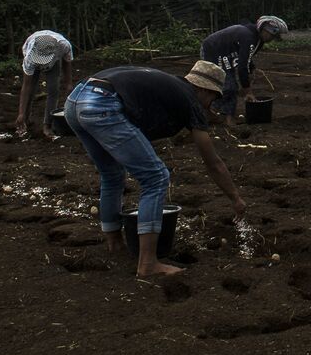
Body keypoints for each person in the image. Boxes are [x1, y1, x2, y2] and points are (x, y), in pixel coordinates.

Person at [63, 60, 246, 278]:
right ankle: (148, 263)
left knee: (111, 174)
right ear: (205, 90)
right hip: (102, 103)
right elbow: (212, 162)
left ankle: (115, 244)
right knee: (156, 177)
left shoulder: (170, 85)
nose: (211, 105)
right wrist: (235, 198)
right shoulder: (190, 100)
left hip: (75, 101)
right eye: (214, 98)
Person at [200, 15, 288, 126]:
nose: (271, 38)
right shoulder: (248, 37)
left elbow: (246, 57)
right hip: (213, 50)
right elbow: (242, 67)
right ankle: (216, 113)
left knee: (230, 85)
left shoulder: (258, 40)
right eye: (270, 34)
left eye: (274, 36)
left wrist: (252, 69)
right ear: (262, 28)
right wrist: (248, 91)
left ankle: (221, 115)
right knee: (228, 86)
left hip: (227, 53)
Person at [16, 29, 74, 140]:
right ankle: (25, 120)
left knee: (54, 89)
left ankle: (48, 125)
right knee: (31, 90)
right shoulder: (29, 56)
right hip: (33, 58)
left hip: (54, 62)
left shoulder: (64, 46)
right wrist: (21, 113)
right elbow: (26, 86)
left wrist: (69, 83)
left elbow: (67, 62)